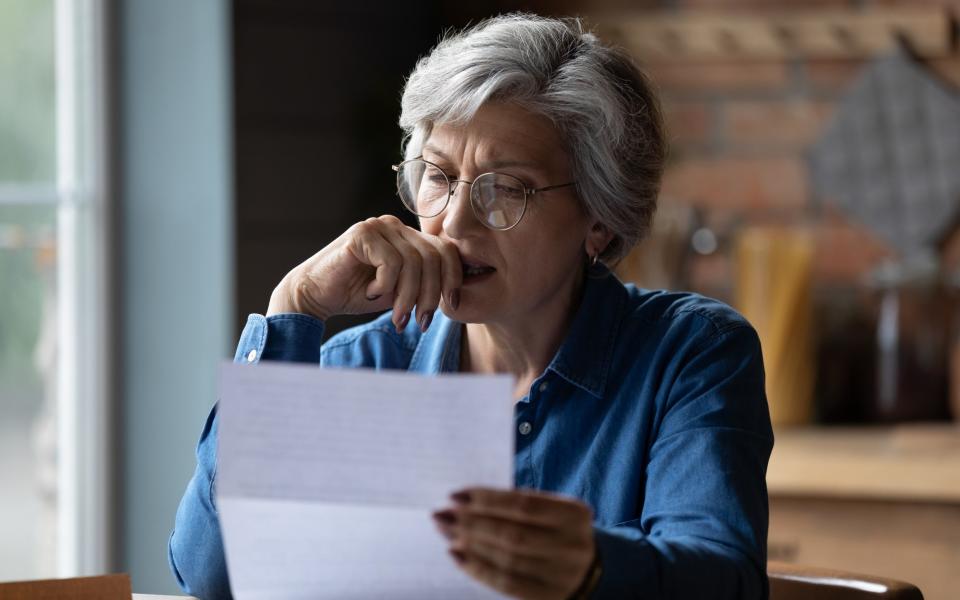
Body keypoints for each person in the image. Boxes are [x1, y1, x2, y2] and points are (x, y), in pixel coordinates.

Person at [169, 13, 773, 600]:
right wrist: (291, 309)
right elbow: (211, 576)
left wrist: (591, 567)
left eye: (506, 189)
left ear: (599, 219)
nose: (454, 224)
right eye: (437, 175)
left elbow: (725, 579)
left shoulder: (689, 353)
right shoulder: (367, 362)